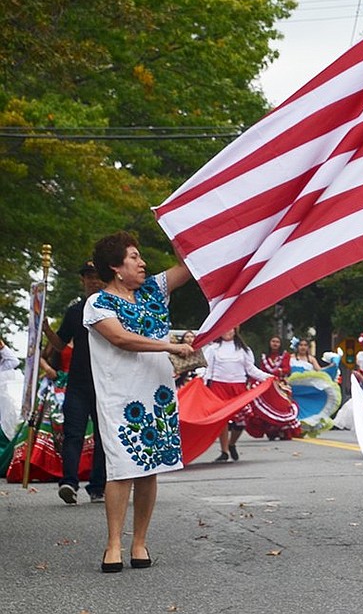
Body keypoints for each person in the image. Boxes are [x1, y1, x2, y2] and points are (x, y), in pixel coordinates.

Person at [83, 231, 195, 572]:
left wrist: (175, 227)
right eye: (134, 257)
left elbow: (187, 266)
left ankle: (140, 542)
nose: (142, 262)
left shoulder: (153, 291)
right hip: (121, 396)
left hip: (157, 394)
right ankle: (113, 542)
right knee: (121, 468)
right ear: (116, 267)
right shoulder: (98, 304)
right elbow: (121, 339)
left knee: (150, 469)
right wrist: (169, 346)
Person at [50, 260, 107, 505]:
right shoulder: (75, 311)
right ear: (82, 280)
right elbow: (61, 343)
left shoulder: (112, 307)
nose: (93, 280)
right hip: (78, 383)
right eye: (88, 276)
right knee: (72, 434)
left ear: (104, 279)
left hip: (106, 382)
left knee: (103, 437)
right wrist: (43, 328)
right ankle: (69, 483)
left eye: (96, 276)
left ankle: (98, 486)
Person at [203, 328, 270, 462]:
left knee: (242, 419)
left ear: (235, 330)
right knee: (222, 420)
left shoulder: (243, 349)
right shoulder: (213, 348)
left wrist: (268, 377)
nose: (227, 331)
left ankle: (232, 443)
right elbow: (208, 369)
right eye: (225, 329)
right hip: (219, 386)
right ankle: (224, 451)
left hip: (238, 386)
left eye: (230, 329)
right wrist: (202, 384)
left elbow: (251, 369)